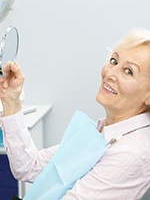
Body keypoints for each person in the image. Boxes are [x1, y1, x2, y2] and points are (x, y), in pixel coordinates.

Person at [0, 28, 150, 200]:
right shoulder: (103, 131)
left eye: (128, 71)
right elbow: (29, 166)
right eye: (114, 61)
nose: (110, 74)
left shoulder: (132, 154)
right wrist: (11, 100)